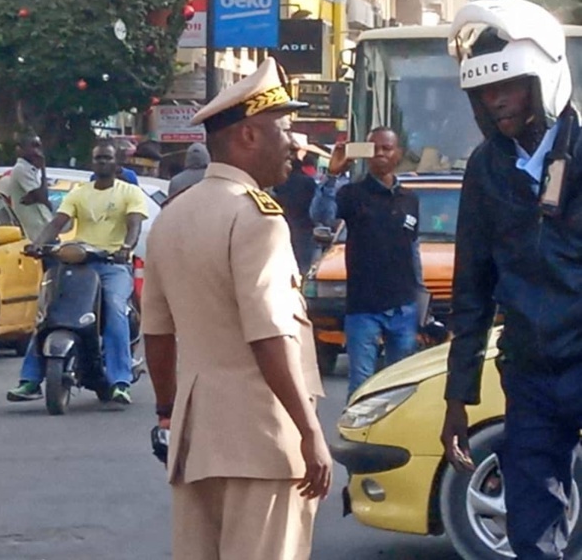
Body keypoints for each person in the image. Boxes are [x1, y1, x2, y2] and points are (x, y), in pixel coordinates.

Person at [142, 57, 330, 560]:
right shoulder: (258, 218)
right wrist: (309, 431)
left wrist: (167, 411)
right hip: (262, 439)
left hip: (196, 441)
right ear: (248, 136)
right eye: (283, 129)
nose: (294, 143)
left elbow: (156, 333)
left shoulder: (171, 216)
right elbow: (268, 333)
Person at [440, 0, 582, 560]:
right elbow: (471, 288)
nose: (495, 100)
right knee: (530, 532)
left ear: (543, 79)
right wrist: (458, 396)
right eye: (483, 91)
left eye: (508, 86)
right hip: (531, 376)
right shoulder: (485, 166)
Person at [7, 142, 148, 405]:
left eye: (107, 158)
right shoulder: (79, 193)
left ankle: (120, 381)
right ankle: (30, 380)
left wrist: (126, 248)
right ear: (92, 163)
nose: (102, 163)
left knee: (115, 309)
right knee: (50, 312)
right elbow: (57, 222)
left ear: (116, 164)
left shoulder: (130, 192)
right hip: (80, 266)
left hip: (113, 266)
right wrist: (38, 244)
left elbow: (134, 226)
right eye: (98, 158)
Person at [311, 128, 422, 398]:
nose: (380, 153)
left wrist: (422, 300)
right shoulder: (352, 194)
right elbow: (322, 215)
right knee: (361, 386)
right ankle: (357, 426)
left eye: (387, 148)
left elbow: (413, 250)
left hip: (403, 308)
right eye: (375, 148)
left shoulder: (410, 199)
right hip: (363, 308)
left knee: (400, 386)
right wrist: (333, 175)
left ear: (398, 154)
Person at [274, 137, 317, 272]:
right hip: (303, 230)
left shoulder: (277, 182)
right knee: (302, 269)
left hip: (282, 227)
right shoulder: (308, 182)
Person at [7, 135, 53, 240]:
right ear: (22, 149)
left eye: (39, 147)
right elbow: (42, 196)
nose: (37, 151)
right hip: (33, 233)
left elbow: (41, 197)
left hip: (43, 229)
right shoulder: (21, 168)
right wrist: (43, 168)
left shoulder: (32, 170)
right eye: (34, 146)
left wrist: (39, 198)